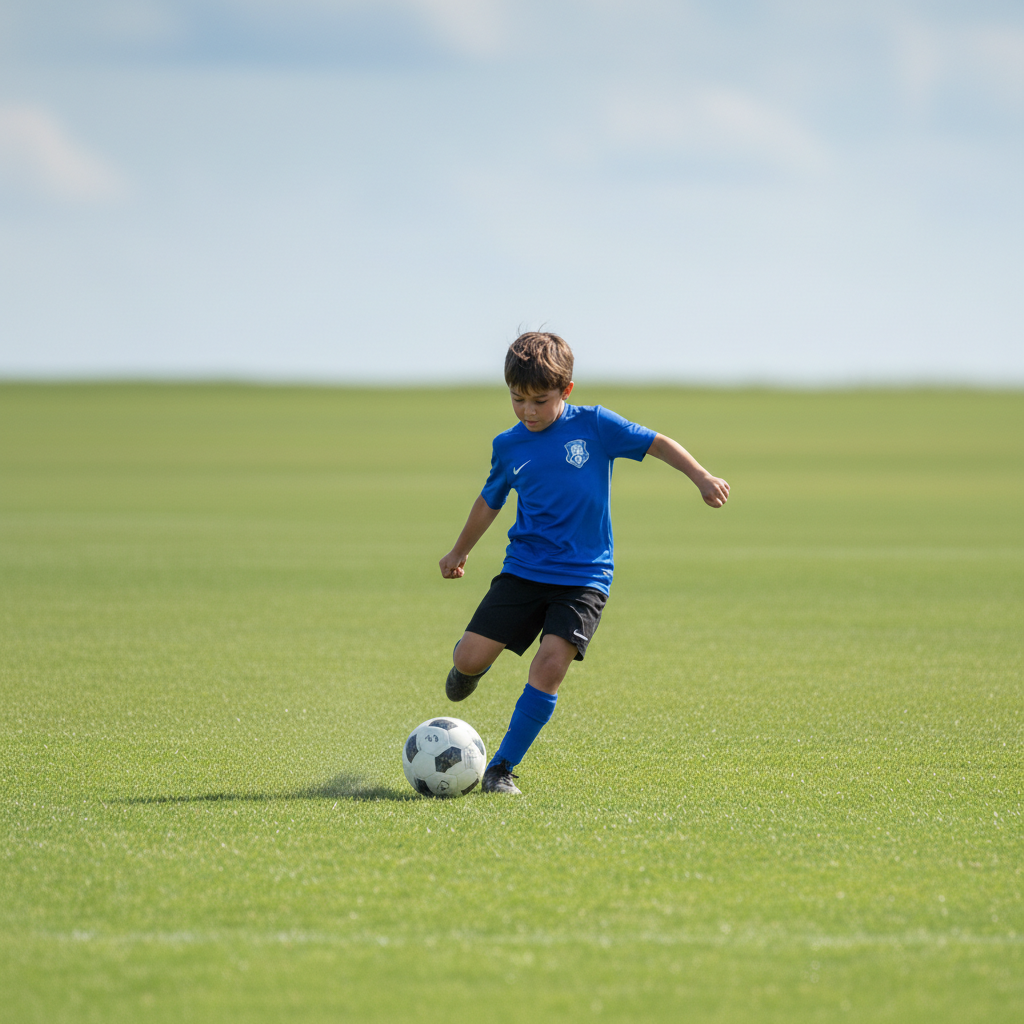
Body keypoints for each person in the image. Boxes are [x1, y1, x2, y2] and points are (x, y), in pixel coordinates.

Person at [438, 332, 729, 794]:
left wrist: (701, 476)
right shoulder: (508, 445)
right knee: (468, 659)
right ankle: (470, 670)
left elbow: (656, 443)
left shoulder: (595, 426)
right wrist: (460, 550)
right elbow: (489, 501)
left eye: (539, 400)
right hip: (524, 570)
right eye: (518, 399)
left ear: (566, 391)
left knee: (550, 666)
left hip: (584, 576)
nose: (528, 411)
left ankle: (501, 769)